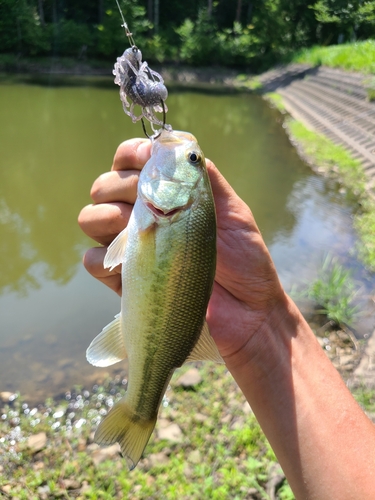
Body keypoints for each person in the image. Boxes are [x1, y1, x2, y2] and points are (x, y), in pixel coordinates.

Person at [78, 137, 375, 499]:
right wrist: (263, 323)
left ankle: (140, 410)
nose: (187, 154)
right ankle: (140, 409)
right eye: (194, 159)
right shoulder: (168, 210)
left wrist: (261, 321)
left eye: (192, 160)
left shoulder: (172, 210)